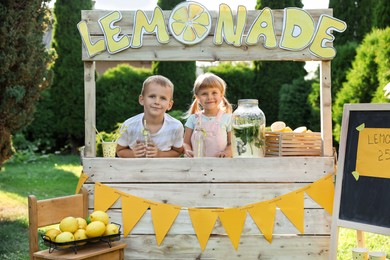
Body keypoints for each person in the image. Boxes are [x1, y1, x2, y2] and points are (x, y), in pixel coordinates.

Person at [116, 75, 184, 158]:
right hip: (136, 170)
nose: (157, 102)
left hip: (165, 170)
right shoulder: (129, 125)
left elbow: (178, 152)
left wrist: (159, 154)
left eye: (163, 98)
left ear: (169, 105)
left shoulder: (176, 126)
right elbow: (119, 150)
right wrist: (132, 154)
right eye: (152, 96)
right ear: (142, 100)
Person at [183, 73, 233, 158]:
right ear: (197, 97)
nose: (209, 97)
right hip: (197, 166)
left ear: (221, 95)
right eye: (204, 94)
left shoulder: (228, 119)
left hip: (221, 165)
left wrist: (226, 153)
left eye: (214, 93)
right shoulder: (193, 119)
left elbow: (232, 144)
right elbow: (186, 143)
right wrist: (187, 150)